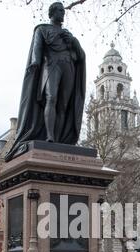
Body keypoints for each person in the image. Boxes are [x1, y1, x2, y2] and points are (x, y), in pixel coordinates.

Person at [5, 2, 86, 162]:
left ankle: (59, 138)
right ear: (52, 13)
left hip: (68, 66)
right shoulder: (42, 29)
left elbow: (81, 56)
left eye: (64, 11)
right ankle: (49, 137)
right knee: (51, 98)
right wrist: (35, 62)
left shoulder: (68, 34)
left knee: (64, 105)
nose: (63, 14)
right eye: (60, 11)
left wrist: (75, 42)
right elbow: (37, 48)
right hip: (51, 65)